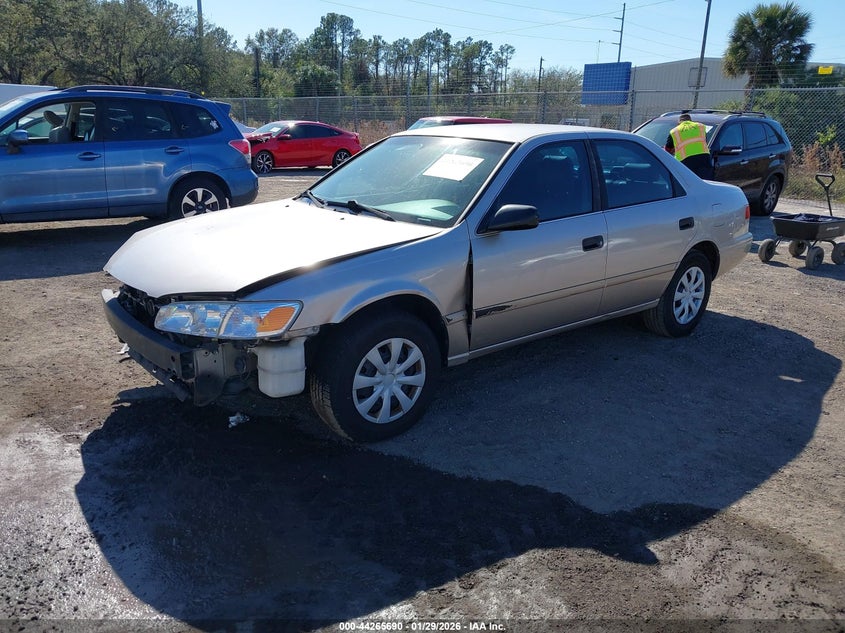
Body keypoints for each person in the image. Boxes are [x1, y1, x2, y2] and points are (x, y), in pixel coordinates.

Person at [664, 113, 714, 180]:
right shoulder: (701, 126)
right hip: (704, 159)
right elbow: (704, 140)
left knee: (687, 183)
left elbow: (668, 149)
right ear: (691, 120)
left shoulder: (674, 131)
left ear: (679, 123)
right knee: (705, 182)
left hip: (685, 161)